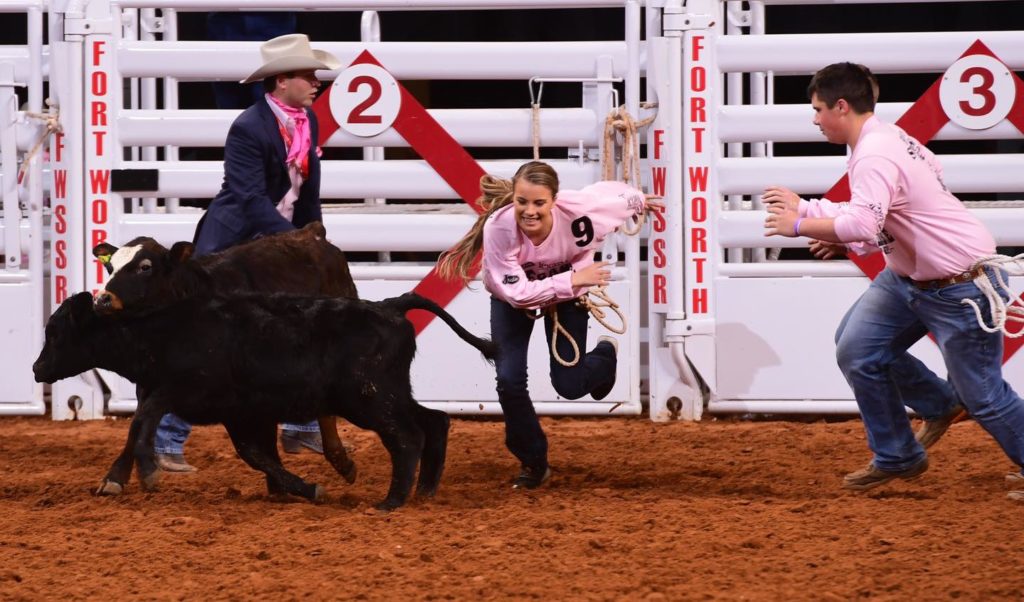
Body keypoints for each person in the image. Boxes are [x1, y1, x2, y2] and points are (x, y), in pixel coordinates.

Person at [763, 62, 1024, 498]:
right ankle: (906, 444)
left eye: (818, 109)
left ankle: (943, 413)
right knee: (858, 349)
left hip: (960, 284)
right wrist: (819, 217)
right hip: (915, 277)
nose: (815, 119)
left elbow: (864, 224)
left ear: (840, 107)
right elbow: (889, 213)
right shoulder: (884, 140)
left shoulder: (873, 153)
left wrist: (800, 224)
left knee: (984, 394)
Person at [154, 33, 341, 472]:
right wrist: (295, 241)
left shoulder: (304, 122)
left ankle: (301, 427)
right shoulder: (248, 127)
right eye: (307, 76)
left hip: (273, 241)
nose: (316, 83)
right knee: (203, 342)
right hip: (234, 244)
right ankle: (164, 438)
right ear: (281, 82)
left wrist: (313, 235)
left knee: (299, 327)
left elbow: (307, 190)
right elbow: (248, 198)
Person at [437, 161, 660, 489]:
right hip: (517, 300)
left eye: (539, 203)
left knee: (569, 386)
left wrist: (639, 200)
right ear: (512, 198)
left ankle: (604, 358)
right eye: (522, 201)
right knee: (509, 380)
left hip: (568, 292)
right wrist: (571, 279)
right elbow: (517, 293)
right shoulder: (499, 228)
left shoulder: (582, 211)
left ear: (555, 201)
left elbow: (615, 197)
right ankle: (533, 460)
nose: (529, 211)